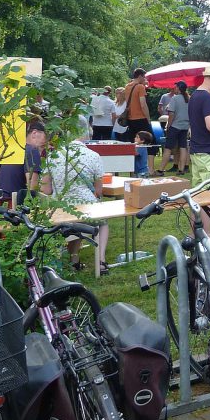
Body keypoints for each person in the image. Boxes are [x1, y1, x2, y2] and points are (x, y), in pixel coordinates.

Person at [42, 122, 110, 275]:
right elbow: (98, 191)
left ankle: (74, 260)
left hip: (59, 209)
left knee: (73, 218)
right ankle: (101, 261)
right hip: (86, 210)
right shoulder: (94, 156)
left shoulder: (53, 155)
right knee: (103, 222)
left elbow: (45, 189)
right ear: (86, 135)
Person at [159, 81, 190, 175]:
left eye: (175, 87)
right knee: (183, 147)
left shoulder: (175, 98)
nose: (174, 89)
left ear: (178, 88)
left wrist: (168, 126)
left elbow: (171, 114)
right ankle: (181, 169)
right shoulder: (189, 98)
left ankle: (161, 169)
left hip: (175, 126)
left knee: (168, 148)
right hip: (185, 127)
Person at [122, 69, 152, 142]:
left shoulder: (127, 86)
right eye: (144, 77)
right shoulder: (140, 87)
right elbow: (143, 104)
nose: (145, 79)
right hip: (140, 118)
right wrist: (148, 119)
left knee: (133, 141)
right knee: (148, 141)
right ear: (139, 76)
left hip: (130, 118)